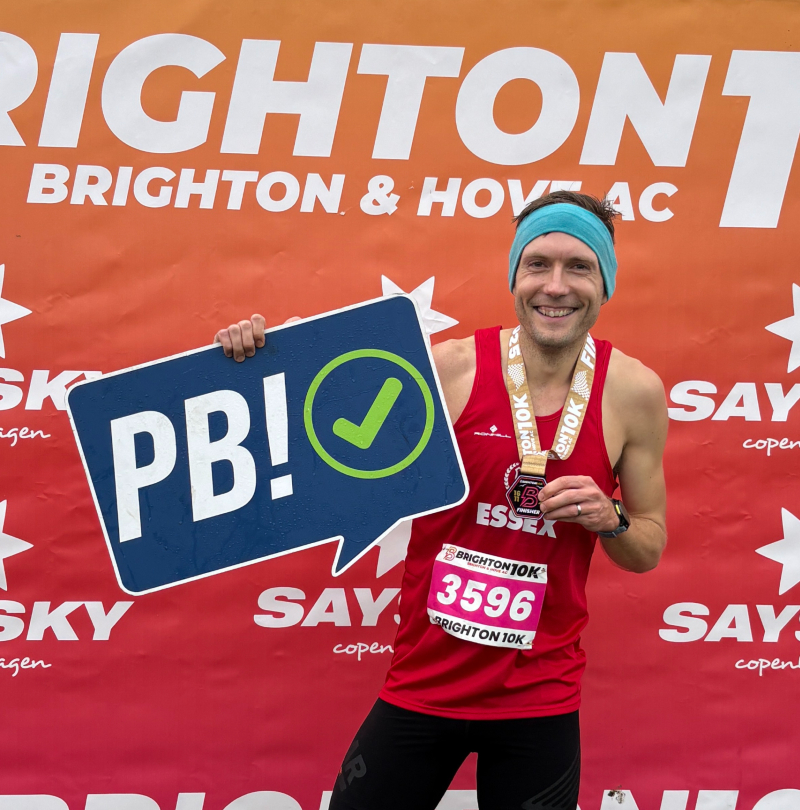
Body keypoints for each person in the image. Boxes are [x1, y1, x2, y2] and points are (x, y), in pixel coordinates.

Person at [215, 190, 669, 810]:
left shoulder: (634, 393)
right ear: (515, 276)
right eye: (537, 264)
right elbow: (307, 443)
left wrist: (610, 519)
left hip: (539, 696)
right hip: (424, 683)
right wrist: (251, 367)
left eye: (579, 267)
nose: (556, 286)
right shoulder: (444, 369)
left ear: (605, 282)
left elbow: (647, 546)